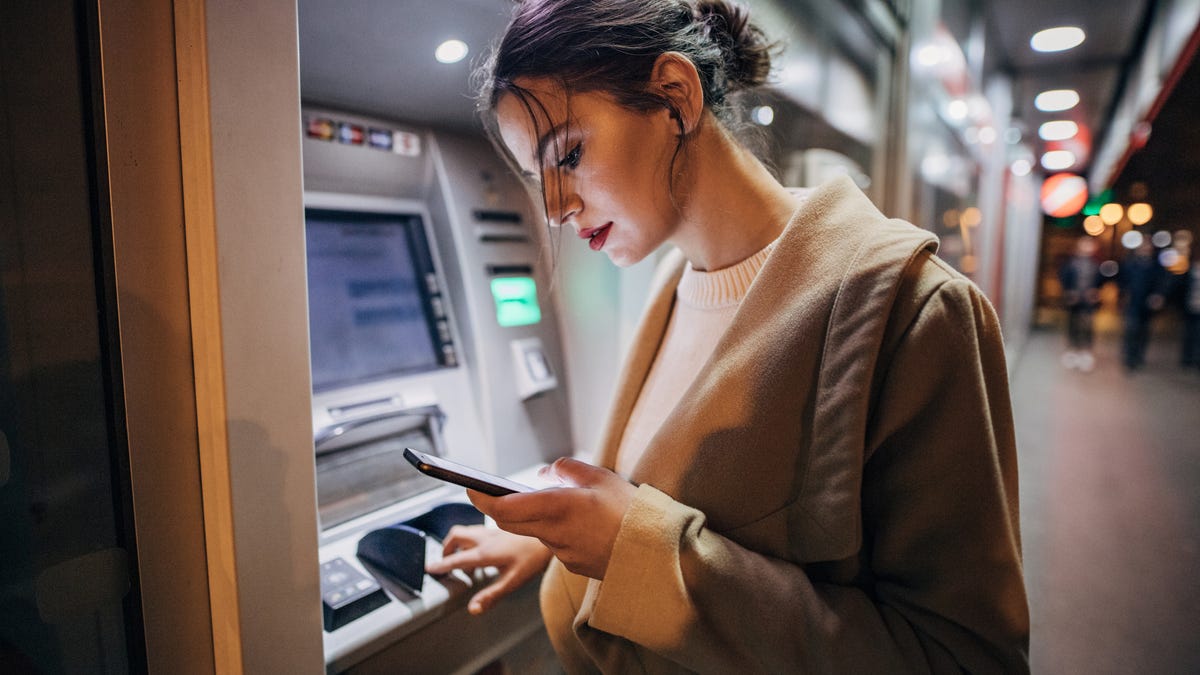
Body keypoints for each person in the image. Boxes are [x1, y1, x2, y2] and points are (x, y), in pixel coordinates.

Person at [426, 1, 1030, 671]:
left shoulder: (917, 311)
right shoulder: (672, 281)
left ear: (675, 98)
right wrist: (559, 540)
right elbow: (656, 486)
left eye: (567, 154)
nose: (556, 209)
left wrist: (635, 553)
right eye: (537, 179)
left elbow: (962, 655)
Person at [1057, 235, 1104, 371]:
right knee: (1073, 325)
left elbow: (1100, 281)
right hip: (1074, 301)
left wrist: (1096, 292)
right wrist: (1069, 292)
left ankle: (1085, 353)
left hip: (1088, 302)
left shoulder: (1096, 264)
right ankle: (1072, 351)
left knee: (1088, 326)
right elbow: (1063, 277)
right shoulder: (1071, 263)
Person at [1119, 240, 1166, 370]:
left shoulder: (1156, 266)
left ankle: (1139, 355)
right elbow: (1122, 281)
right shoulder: (1130, 264)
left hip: (1147, 304)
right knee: (1132, 329)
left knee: (1144, 331)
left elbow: (1161, 282)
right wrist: (1123, 295)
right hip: (1133, 302)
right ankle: (1129, 356)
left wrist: (1158, 295)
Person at [1181, 259, 1200, 369]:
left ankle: (1196, 358)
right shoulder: (1190, 270)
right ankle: (1187, 358)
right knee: (1189, 333)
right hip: (1190, 307)